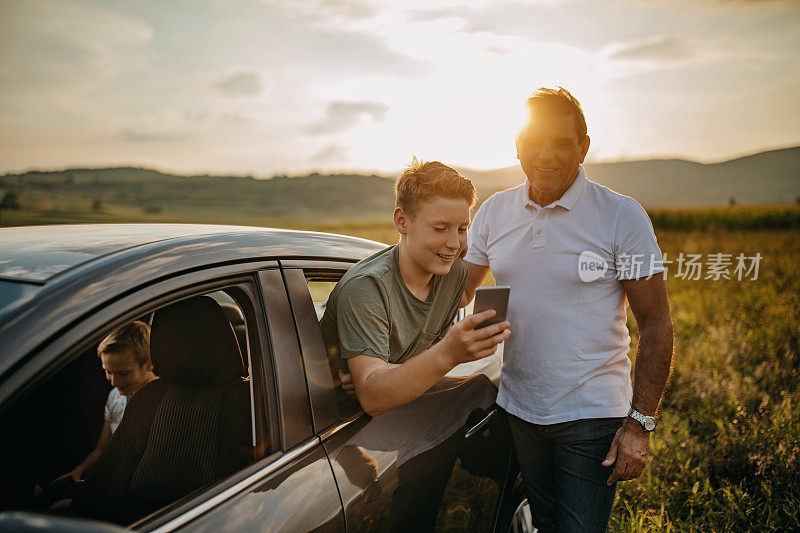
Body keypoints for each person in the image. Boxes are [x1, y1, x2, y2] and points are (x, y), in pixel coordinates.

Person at [463, 87, 674, 532]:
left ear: (584, 147)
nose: (546, 155)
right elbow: (455, 296)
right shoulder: (493, 213)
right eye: (534, 142)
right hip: (519, 408)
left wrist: (639, 425)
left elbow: (656, 325)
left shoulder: (621, 215)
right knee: (545, 522)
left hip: (592, 414)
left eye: (561, 143)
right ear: (518, 146)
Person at [320, 158, 511, 417]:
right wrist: (448, 353)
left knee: (483, 391)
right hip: (333, 424)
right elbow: (373, 398)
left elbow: (420, 355)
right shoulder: (367, 288)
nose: (455, 243)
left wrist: (391, 371)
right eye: (440, 228)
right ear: (402, 221)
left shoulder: (453, 275)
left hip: (401, 411)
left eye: (462, 229)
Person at [60, 321, 157, 484]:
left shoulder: (162, 401)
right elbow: (102, 450)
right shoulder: (115, 396)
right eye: (108, 372)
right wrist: (78, 472)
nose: (113, 381)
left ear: (148, 363)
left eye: (124, 373)